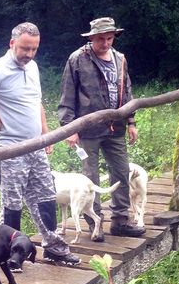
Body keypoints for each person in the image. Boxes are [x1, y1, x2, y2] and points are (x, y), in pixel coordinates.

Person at [0, 22, 80, 266]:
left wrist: (46, 134)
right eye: (25, 48)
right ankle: (8, 256)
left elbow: (37, 102)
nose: (29, 54)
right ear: (12, 43)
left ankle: (54, 247)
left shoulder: (32, 67)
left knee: (45, 196)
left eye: (34, 49)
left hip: (35, 146)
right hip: (9, 149)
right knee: (12, 204)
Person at [58, 17, 146, 242]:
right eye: (100, 39)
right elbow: (67, 95)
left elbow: (127, 92)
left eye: (109, 38)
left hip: (116, 128)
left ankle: (120, 220)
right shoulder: (77, 59)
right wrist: (69, 128)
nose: (106, 43)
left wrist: (132, 122)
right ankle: (95, 225)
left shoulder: (120, 59)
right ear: (91, 38)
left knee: (121, 170)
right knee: (90, 176)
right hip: (87, 129)